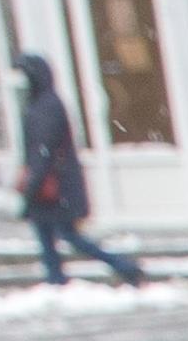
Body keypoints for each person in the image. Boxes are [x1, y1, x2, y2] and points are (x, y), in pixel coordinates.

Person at [9, 51, 145, 289]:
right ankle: (59, 280)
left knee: (64, 237)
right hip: (51, 188)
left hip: (53, 189)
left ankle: (120, 266)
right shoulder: (43, 104)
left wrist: (30, 188)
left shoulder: (44, 107)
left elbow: (43, 151)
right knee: (54, 238)